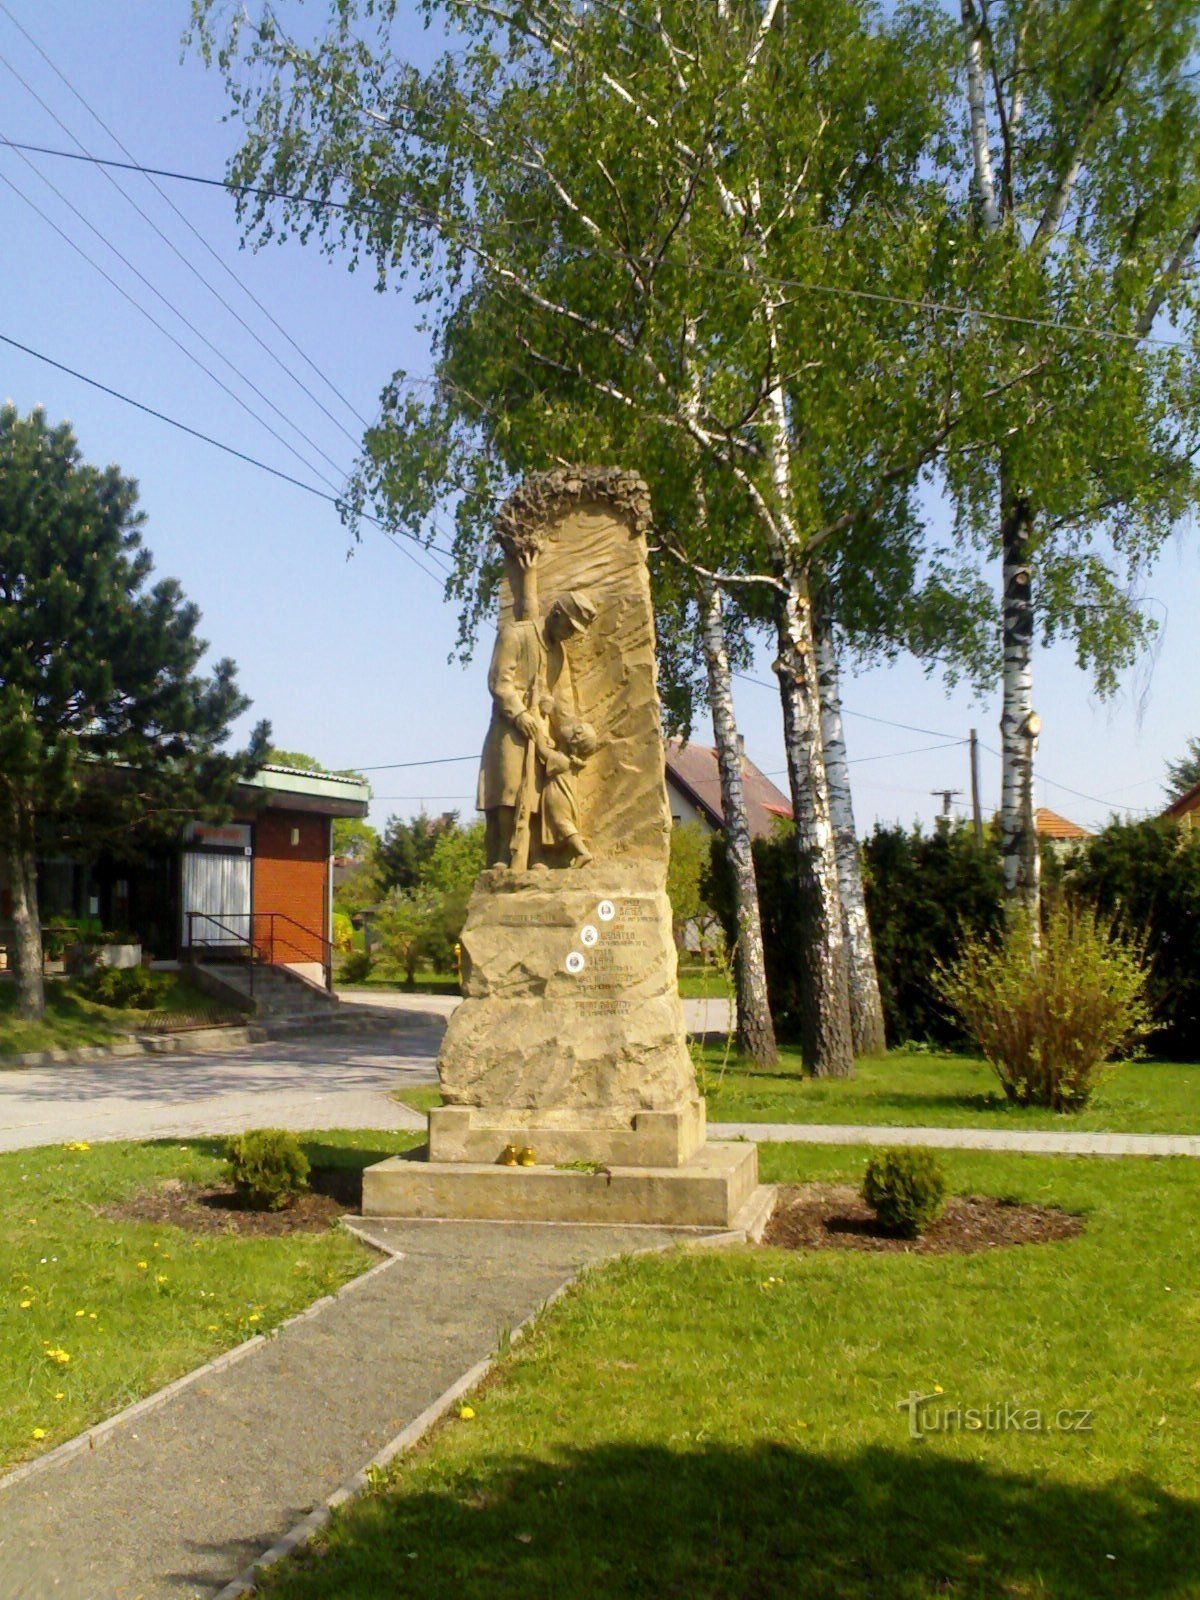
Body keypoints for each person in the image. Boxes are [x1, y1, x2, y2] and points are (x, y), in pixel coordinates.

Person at [477, 589, 598, 867]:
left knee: (535, 793)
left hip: (540, 729)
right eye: (569, 626)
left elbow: (563, 702)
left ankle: (532, 853)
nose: (570, 634)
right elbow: (499, 682)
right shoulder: (515, 634)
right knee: (508, 787)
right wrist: (519, 714)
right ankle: (503, 855)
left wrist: (575, 735)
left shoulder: (559, 653)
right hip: (510, 725)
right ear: (556, 613)